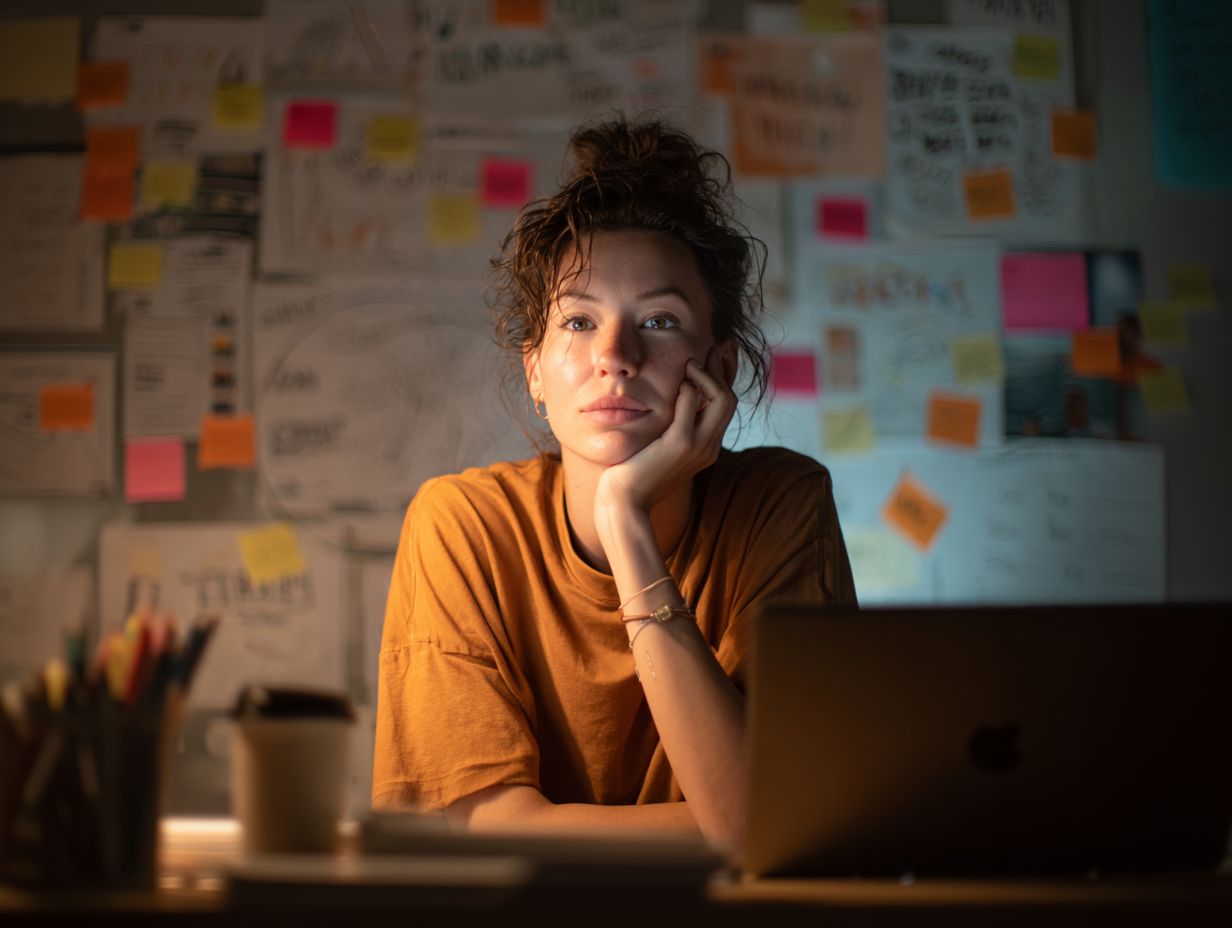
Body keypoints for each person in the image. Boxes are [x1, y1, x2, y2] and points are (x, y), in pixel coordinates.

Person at [372, 118, 857, 856]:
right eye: (578, 320)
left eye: (660, 321)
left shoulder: (781, 505)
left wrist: (625, 517)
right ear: (534, 368)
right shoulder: (462, 525)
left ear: (720, 371)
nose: (615, 356)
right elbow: (495, 836)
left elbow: (776, 825)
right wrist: (733, 828)